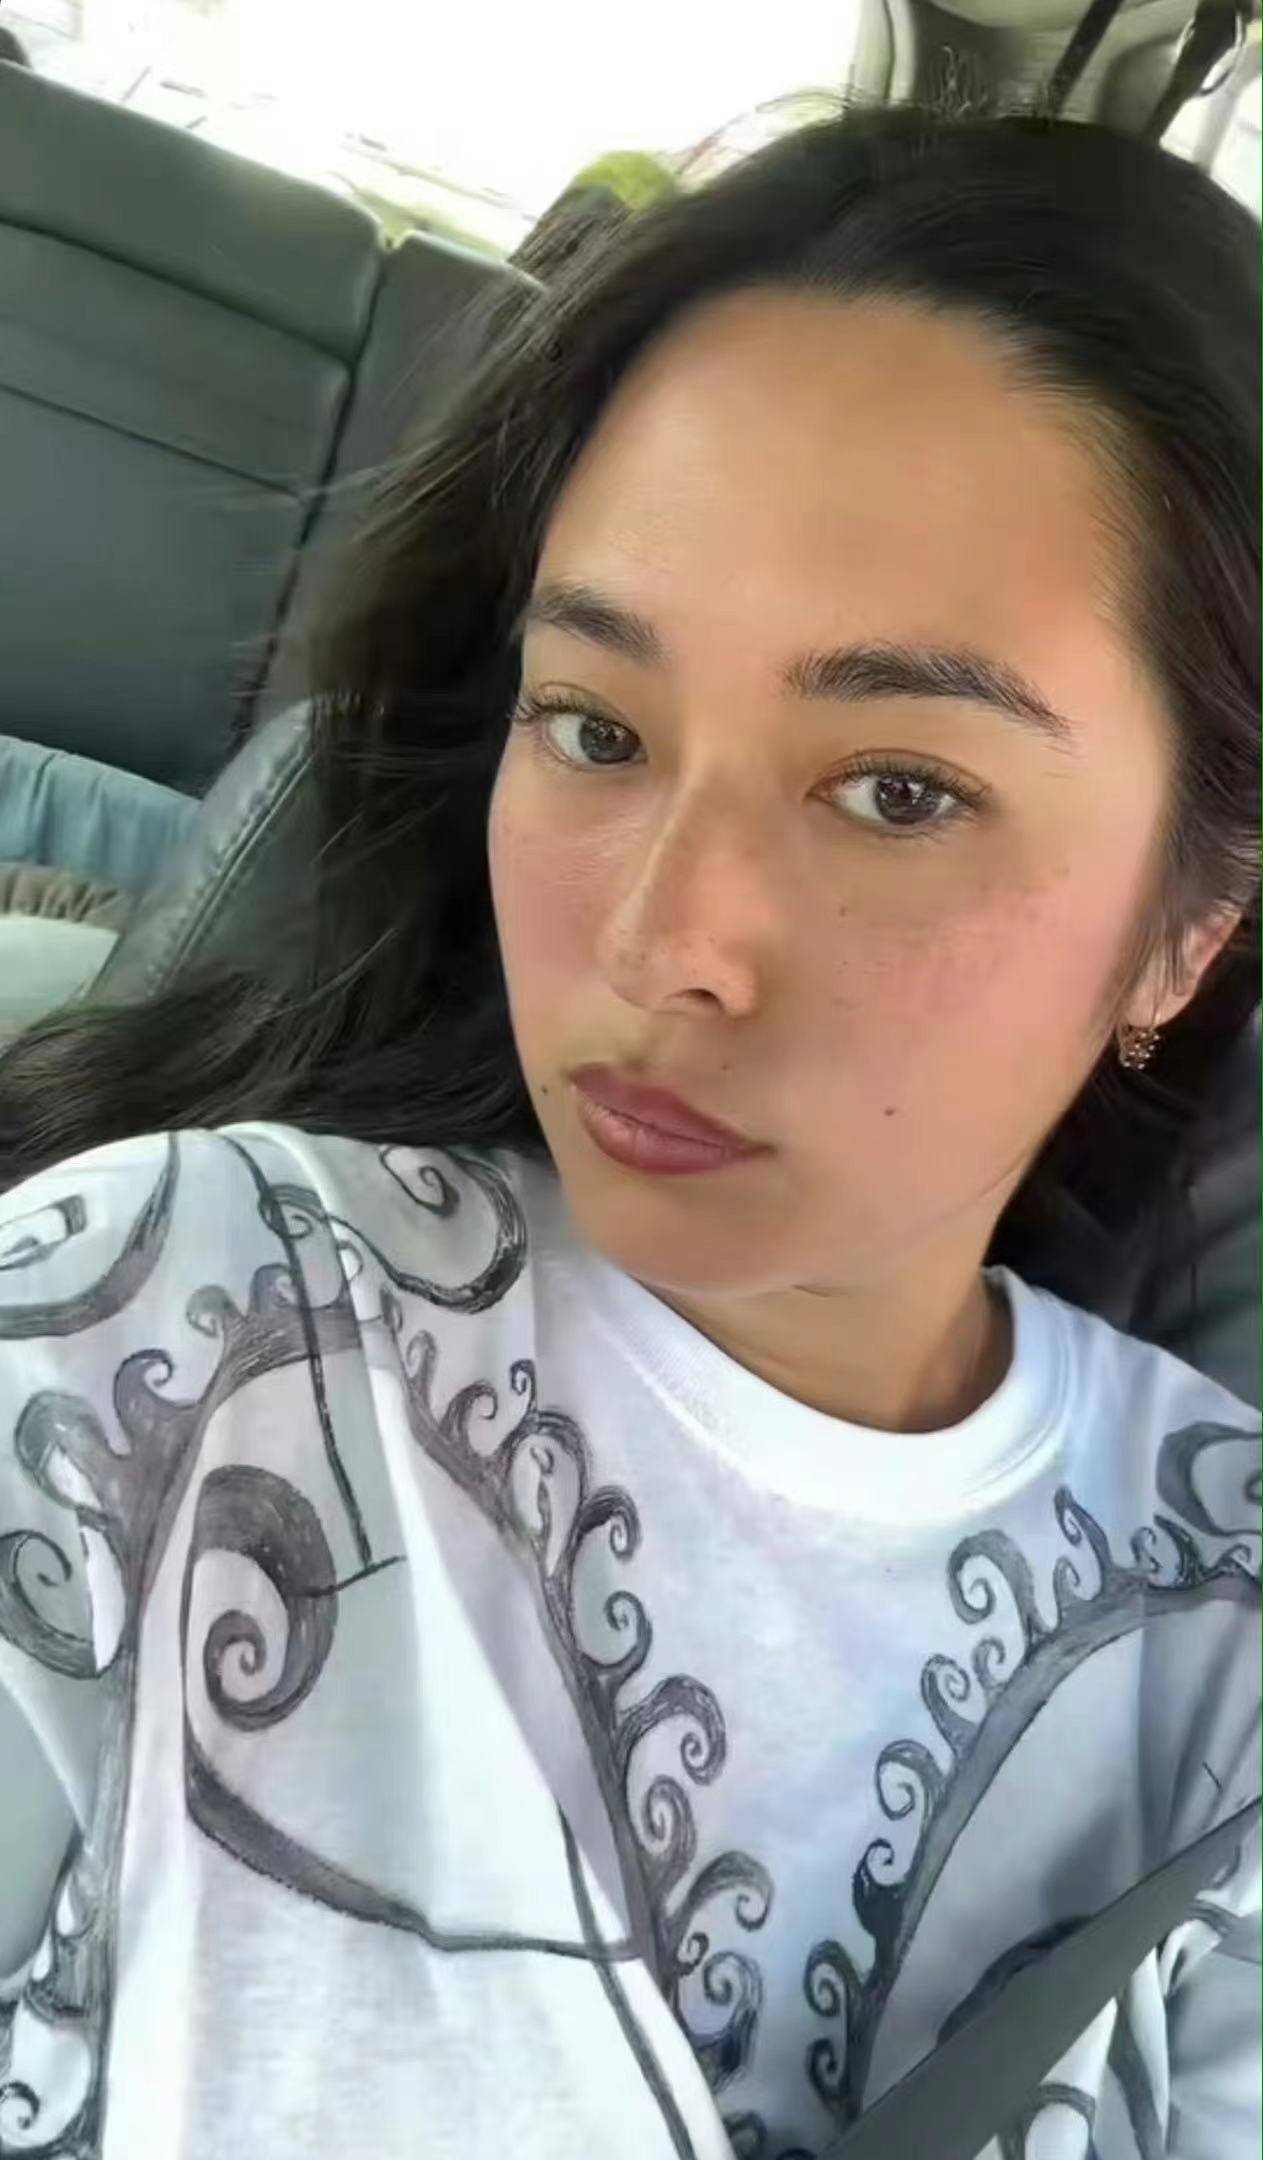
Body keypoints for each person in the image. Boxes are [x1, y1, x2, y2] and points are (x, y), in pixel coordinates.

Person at [0, 100, 1258, 2160]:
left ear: (1185, 930)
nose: (665, 941)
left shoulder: (1222, 1638)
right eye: (593, 728)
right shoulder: (160, 1323)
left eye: (898, 792)